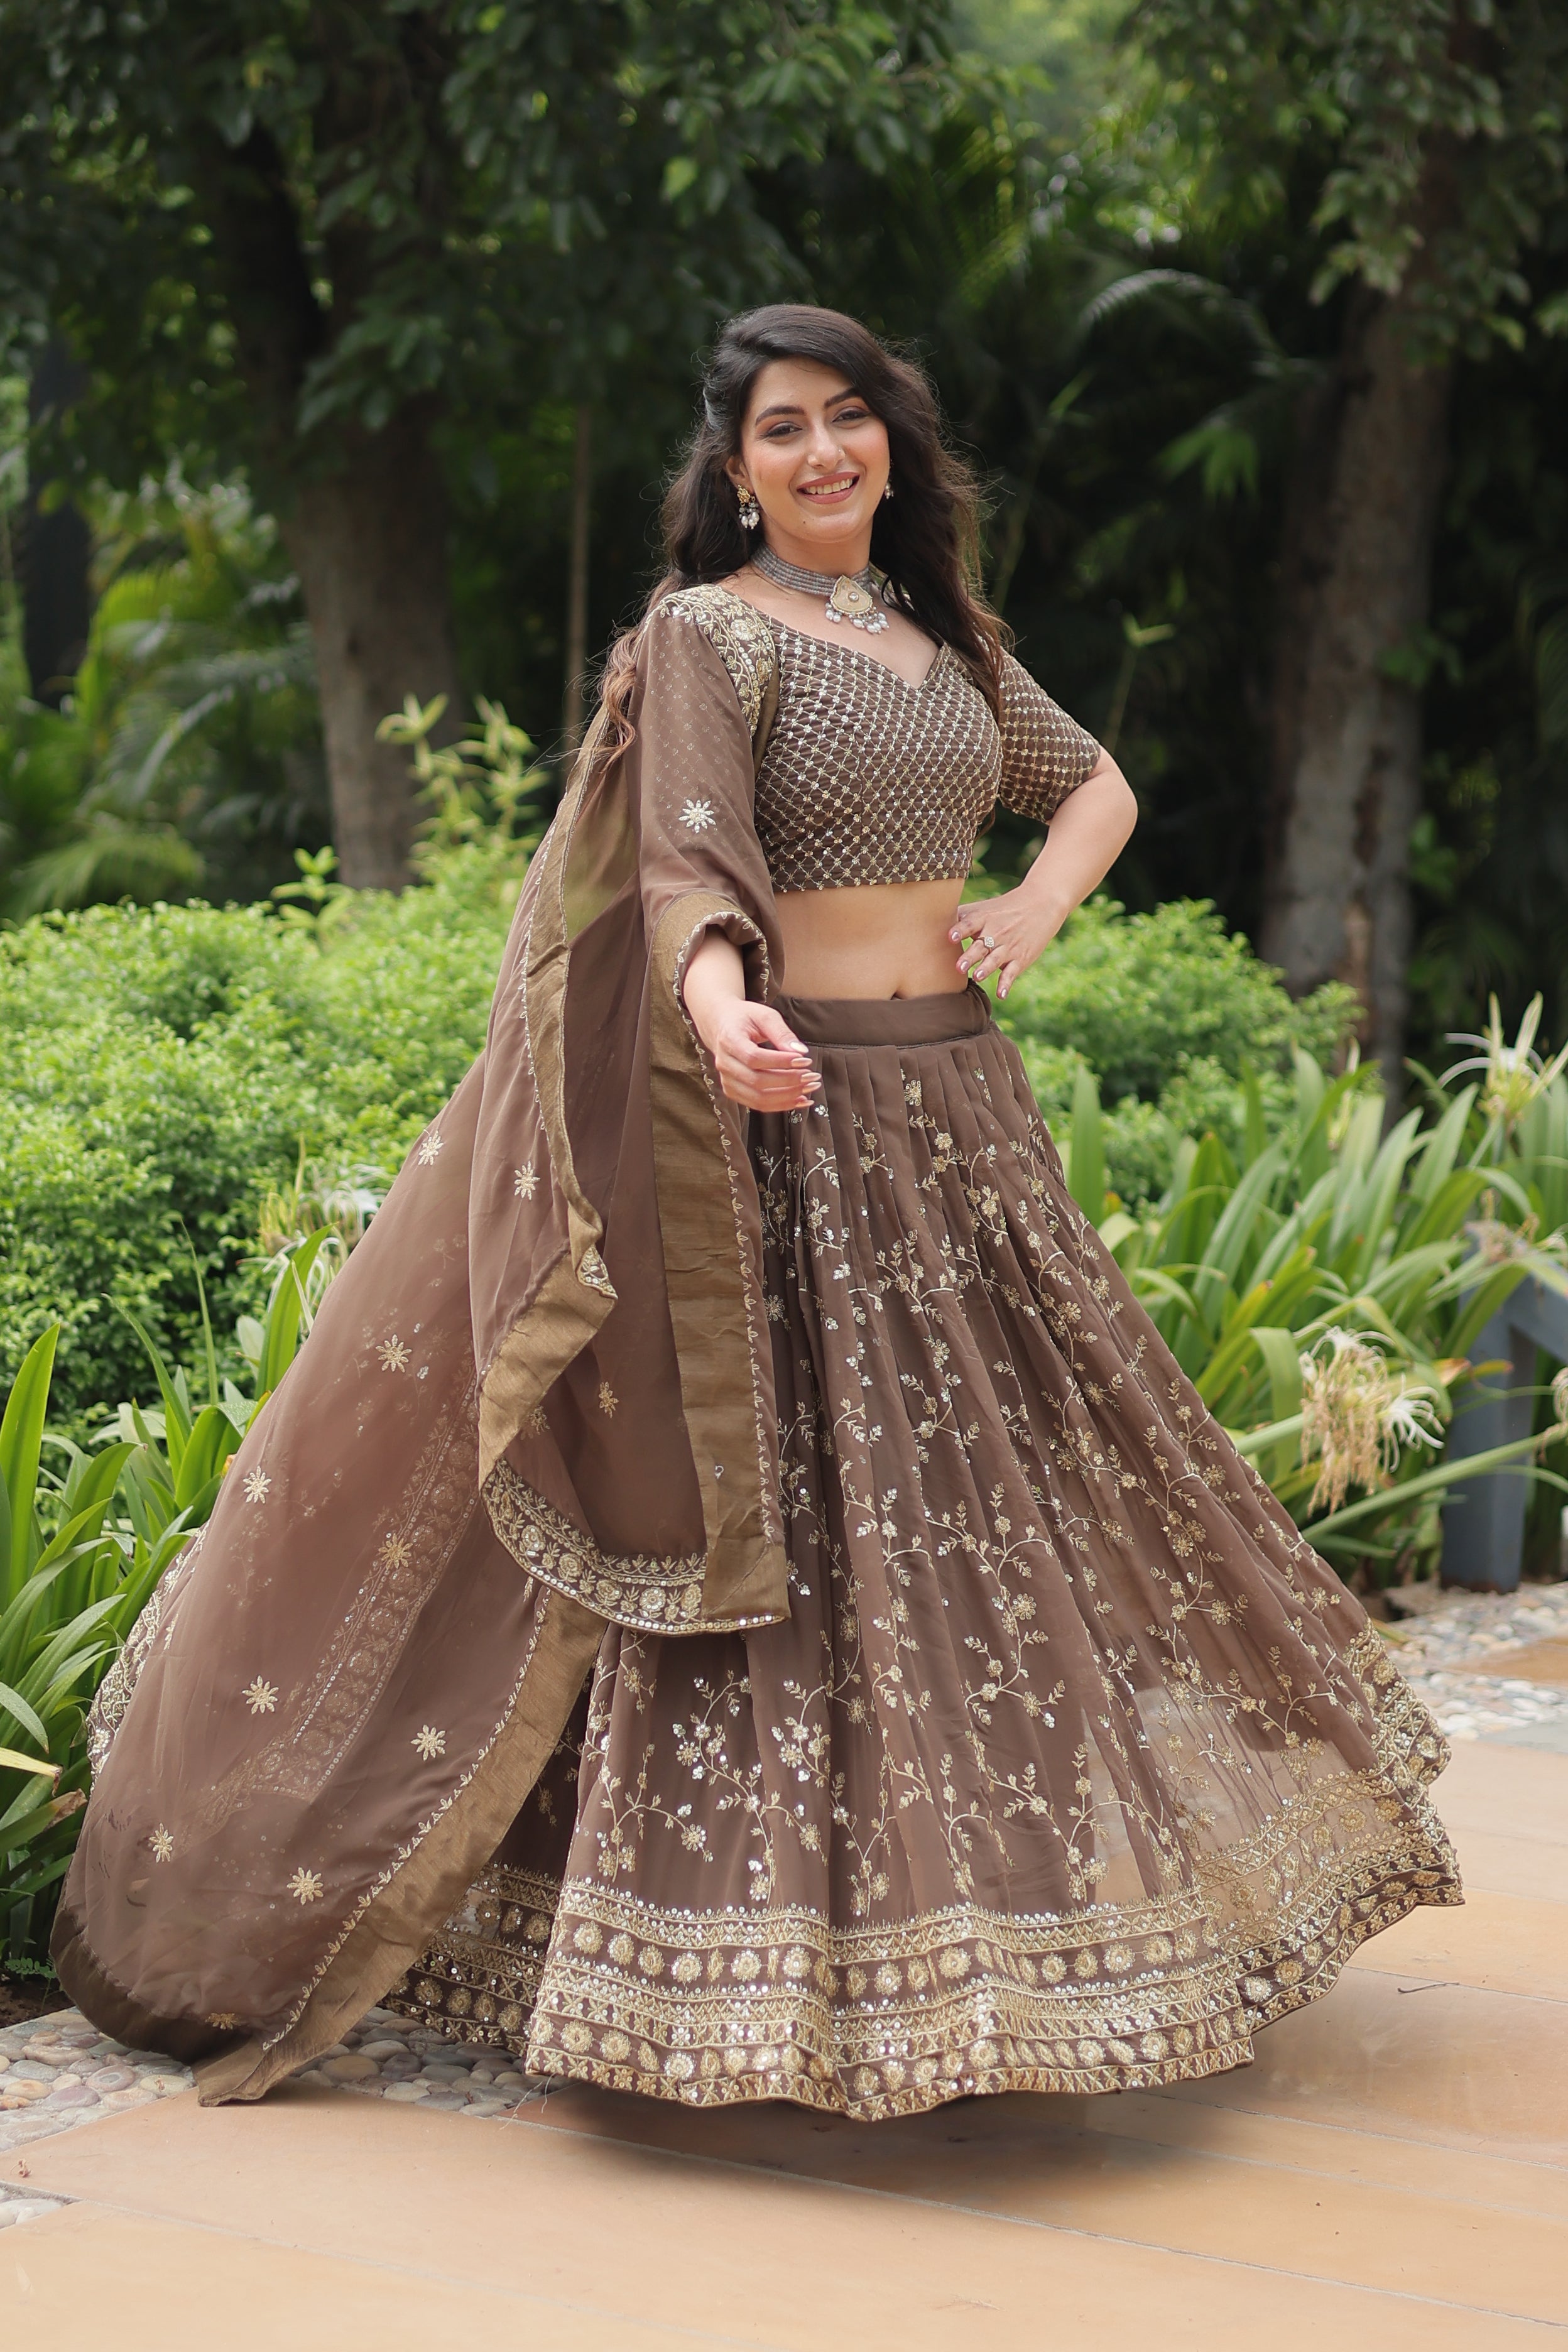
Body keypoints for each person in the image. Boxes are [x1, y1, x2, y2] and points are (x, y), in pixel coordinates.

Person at [55, 306, 1460, 2121]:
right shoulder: (707, 635)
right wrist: (722, 1009)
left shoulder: (945, 635)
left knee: (993, 1517)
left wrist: (1035, 906)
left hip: (957, 1116)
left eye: (850, 421)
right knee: (794, 1530)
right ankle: (733, 1969)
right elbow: (685, 863)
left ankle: (1002, 1931)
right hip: (780, 1132)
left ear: (896, 446)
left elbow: (1094, 783)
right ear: (734, 473)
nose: (822, 456)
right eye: (783, 431)